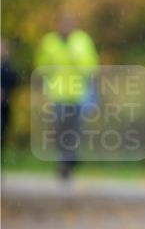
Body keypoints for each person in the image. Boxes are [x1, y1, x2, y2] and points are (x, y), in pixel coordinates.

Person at [34, 13, 99, 180]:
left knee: (75, 129)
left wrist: (77, 58)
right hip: (57, 93)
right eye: (63, 24)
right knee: (59, 129)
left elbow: (91, 65)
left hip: (78, 93)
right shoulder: (49, 42)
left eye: (69, 24)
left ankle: (68, 159)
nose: (66, 27)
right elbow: (41, 65)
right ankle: (65, 158)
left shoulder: (82, 40)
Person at [1, 39, 20, 154]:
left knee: (3, 130)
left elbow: (14, 82)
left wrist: (5, 92)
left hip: (4, 106)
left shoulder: (7, 67)